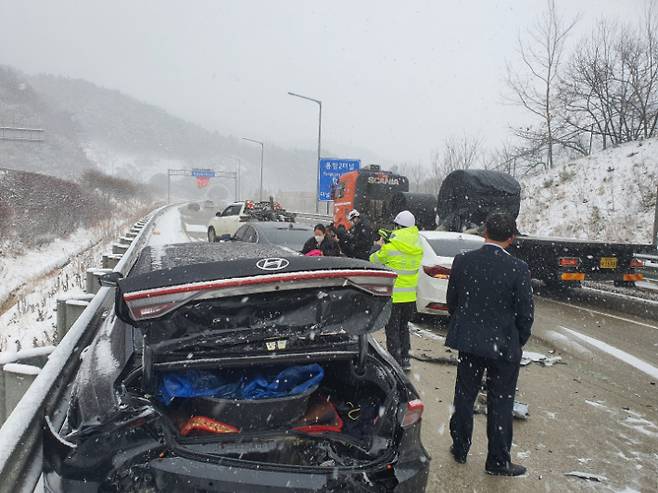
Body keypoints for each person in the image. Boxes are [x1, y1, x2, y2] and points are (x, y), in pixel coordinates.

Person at [445, 212, 534, 477]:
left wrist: (467, 327)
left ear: (484, 232)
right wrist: (518, 339)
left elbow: (453, 301)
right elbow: (526, 314)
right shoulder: (519, 269)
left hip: (470, 343)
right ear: (512, 238)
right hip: (504, 347)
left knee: (464, 396)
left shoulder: (463, 262)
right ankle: (497, 461)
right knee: (501, 402)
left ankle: (460, 448)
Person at [369, 210, 423, 371]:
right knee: (403, 328)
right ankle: (405, 359)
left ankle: (395, 363)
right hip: (410, 297)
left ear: (398, 226)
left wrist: (378, 246)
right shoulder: (418, 244)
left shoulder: (391, 247)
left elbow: (373, 259)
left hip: (394, 296)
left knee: (392, 331)